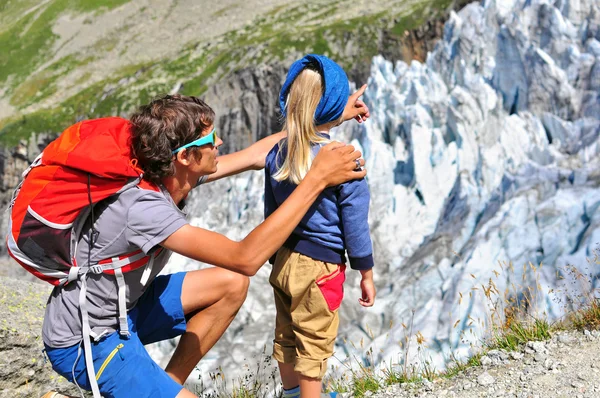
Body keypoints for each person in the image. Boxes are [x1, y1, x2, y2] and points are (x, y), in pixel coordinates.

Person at [40, 91, 370, 398]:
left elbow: (259, 153)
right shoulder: (143, 209)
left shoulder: (168, 172)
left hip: (126, 311)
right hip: (87, 339)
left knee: (231, 285)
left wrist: (331, 118)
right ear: (186, 156)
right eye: (211, 140)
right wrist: (317, 179)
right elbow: (246, 258)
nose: (221, 143)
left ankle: (164, 387)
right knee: (238, 271)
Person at [264, 54, 376, 398]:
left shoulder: (279, 152)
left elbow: (272, 211)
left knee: (286, 334)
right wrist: (366, 271)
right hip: (320, 267)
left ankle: (290, 394)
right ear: (330, 107)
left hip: (284, 259)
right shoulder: (344, 160)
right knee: (313, 346)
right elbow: (355, 223)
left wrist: (274, 256)